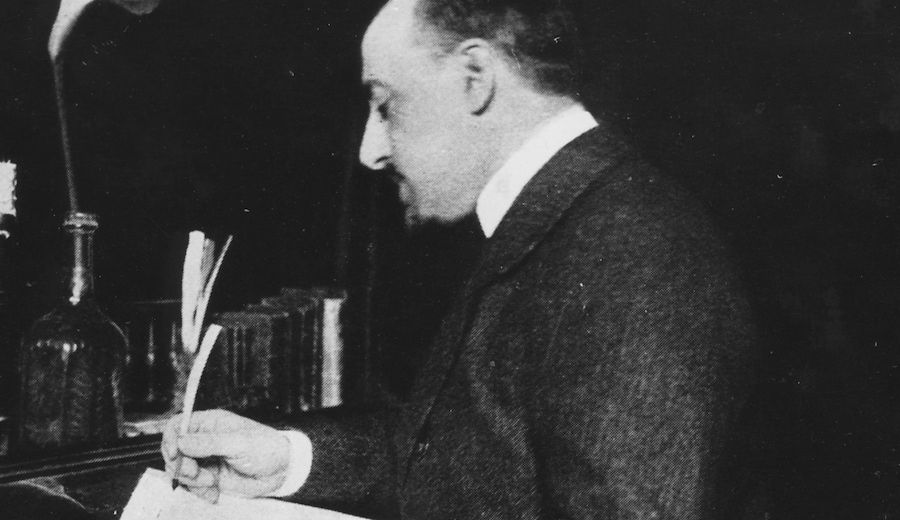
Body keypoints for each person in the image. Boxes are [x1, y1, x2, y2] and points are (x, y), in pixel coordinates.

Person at [162, 0, 761, 518]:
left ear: (475, 76)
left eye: (385, 105)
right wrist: (288, 459)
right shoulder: (559, 218)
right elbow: (467, 456)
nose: (370, 150)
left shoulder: (633, 248)